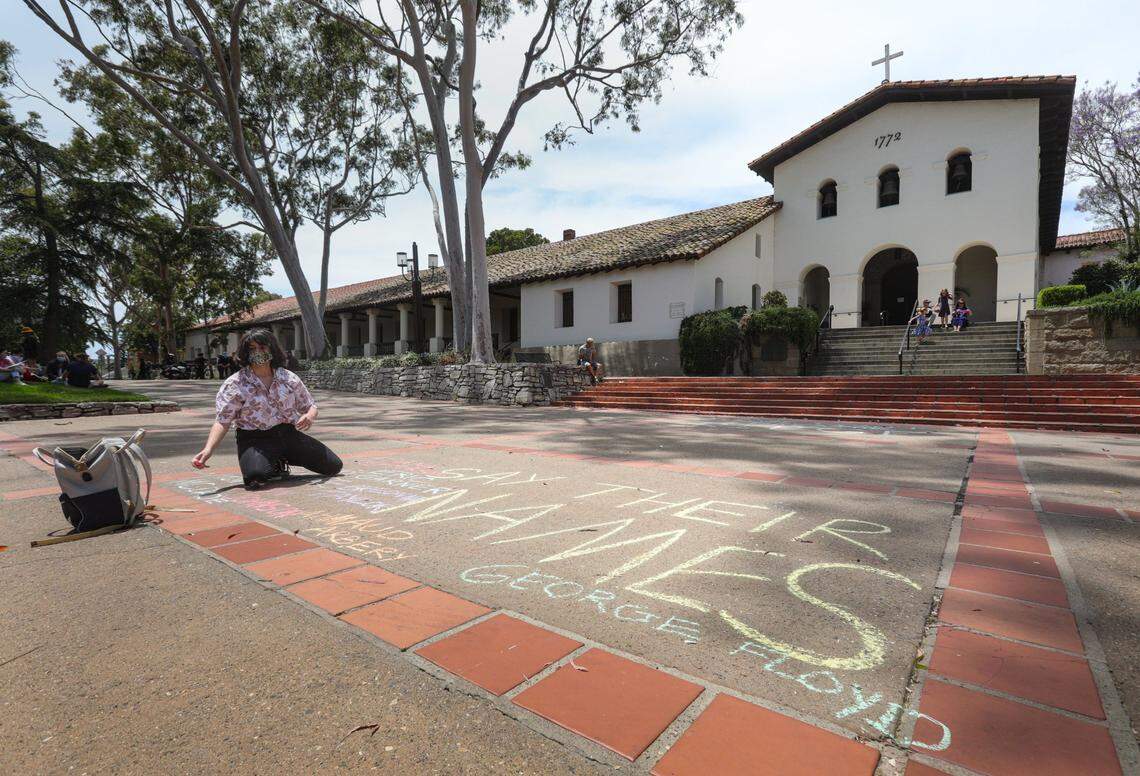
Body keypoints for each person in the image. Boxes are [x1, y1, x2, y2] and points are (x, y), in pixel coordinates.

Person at [192, 329, 343, 490]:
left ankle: (282, 457)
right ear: (245, 353)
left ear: (272, 349)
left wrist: (310, 416)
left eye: (263, 347)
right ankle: (272, 462)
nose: (258, 352)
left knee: (334, 467)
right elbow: (223, 421)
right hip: (255, 439)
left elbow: (310, 406)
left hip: (288, 435)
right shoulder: (235, 384)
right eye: (252, 349)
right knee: (256, 478)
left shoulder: (288, 378)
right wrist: (208, 450)